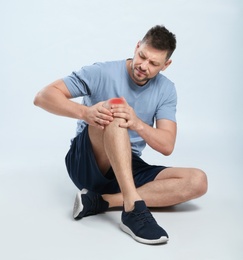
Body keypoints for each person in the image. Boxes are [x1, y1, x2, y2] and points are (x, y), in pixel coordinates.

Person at [34, 25, 207, 245]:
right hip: (88, 162)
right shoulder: (102, 72)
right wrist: (85, 112)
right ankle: (133, 208)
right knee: (115, 109)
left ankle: (102, 202)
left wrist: (137, 123)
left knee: (197, 180)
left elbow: (166, 145)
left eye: (153, 63)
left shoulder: (166, 90)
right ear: (137, 46)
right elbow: (43, 96)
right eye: (142, 56)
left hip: (126, 164)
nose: (143, 66)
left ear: (166, 65)